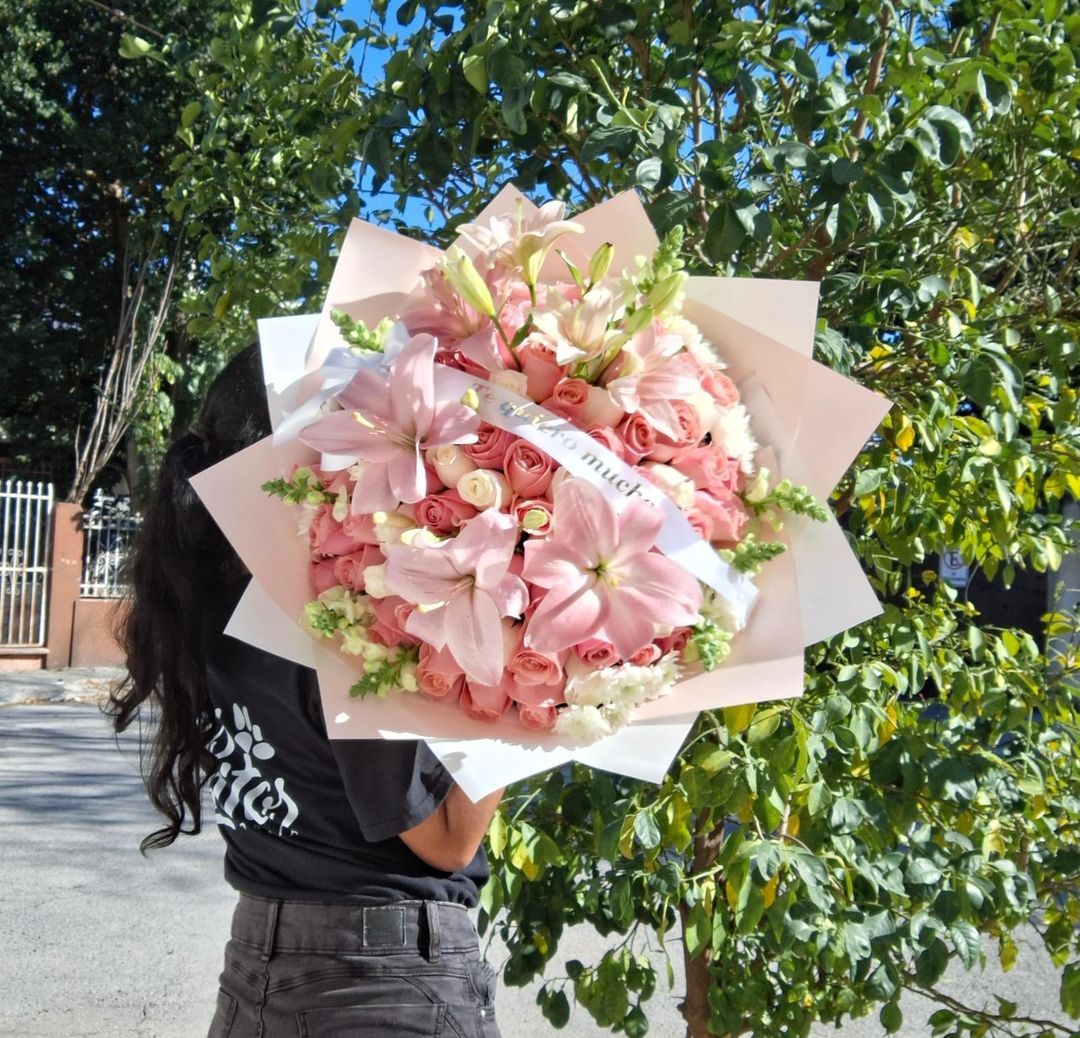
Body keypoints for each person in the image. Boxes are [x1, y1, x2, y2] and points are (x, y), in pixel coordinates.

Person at [107, 344, 504, 1038]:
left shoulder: (207, 596)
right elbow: (446, 841)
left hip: (259, 965)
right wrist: (518, 669)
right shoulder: (332, 614)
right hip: (378, 982)